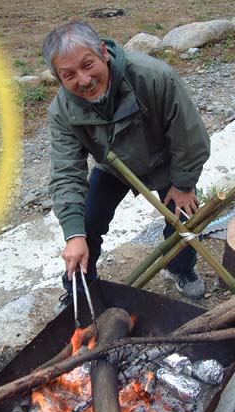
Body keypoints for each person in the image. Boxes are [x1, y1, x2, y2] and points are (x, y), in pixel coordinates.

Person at [42, 21, 210, 303]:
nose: (84, 80)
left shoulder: (154, 76)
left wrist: (183, 184)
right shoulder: (62, 111)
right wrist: (73, 234)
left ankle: (181, 269)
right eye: (69, 75)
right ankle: (80, 290)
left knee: (184, 219)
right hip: (113, 167)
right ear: (58, 78)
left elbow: (190, 137)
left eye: (88, 65)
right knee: (86, 224)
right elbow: (65, 172)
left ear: (104, 52)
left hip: (166, 160)